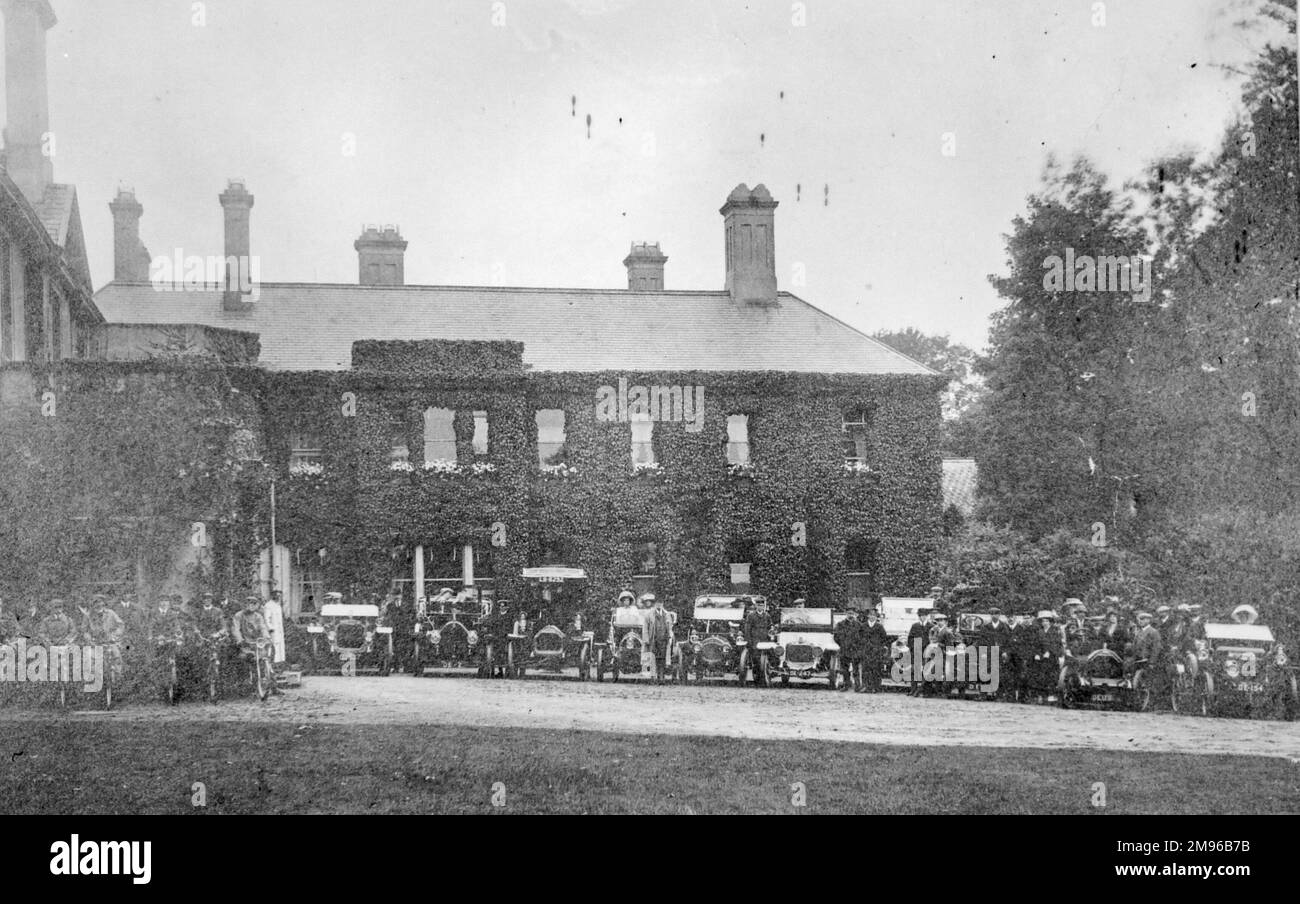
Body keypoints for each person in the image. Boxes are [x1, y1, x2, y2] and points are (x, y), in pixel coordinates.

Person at [230, 595, 277, 694]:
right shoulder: (239, 615)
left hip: (257, 643)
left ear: (256, 606)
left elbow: (263, 627)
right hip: (245, 644)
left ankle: (272, 684)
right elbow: (235, 629)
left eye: (253, 604)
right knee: (243, 660)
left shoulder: (258, 616)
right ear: (245, 605)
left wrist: (266, 637)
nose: (250, 606)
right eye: (248, 603)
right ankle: (245, 684)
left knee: (266, 658)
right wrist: (240, 640)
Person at [82, 595, 126, 684]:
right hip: (95, 642)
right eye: (96, 604)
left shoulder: (111, 613)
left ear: (103, 604)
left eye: (100, 603)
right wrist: (89, 639)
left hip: (110, 641)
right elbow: (84, 630)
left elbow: (120, 625)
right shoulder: (88, 616)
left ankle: (117, 679)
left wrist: (115, 636)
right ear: (93, 605)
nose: (98, 606)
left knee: (116, 656)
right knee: (90, 659)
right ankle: (93, 680)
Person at [642, 594, 673, 685]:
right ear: (654, 604)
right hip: (653, 639)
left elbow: (670, 627)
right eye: (657, 603)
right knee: (652, 659)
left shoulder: (667, 614)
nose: (659, 605)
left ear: (663, 604)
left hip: (663, 639)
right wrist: (646, 639)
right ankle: (653, 677)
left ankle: (661, 677)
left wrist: (669, 637)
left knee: (662, 659)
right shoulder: (649, 615)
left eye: (661, 603)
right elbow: (645, 628)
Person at [741, 597, 771, 683]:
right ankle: (757, 676)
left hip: (765, 640)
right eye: (758, 605)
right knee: (755, 658)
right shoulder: (751, 616)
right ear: (756, 606)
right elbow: (747, 628)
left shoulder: (767, 616)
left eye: (762, 605)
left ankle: (764, 675)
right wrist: (749, 640)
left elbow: (770, 627)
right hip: (755, 640)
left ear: (764, 606)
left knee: (765, 658)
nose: (760, 607)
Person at [859, 608, 889, 693]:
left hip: (876, 651)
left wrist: (879, 647)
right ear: (868, 616)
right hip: (866, 651)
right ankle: (866, 686)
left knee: (876, 669)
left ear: (876, 617)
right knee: (866, 669)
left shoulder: (880, 626)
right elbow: (859, 637)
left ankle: (876, 687)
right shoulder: (863, 626)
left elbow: (884, 638)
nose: (872, 617)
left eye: (874, 615)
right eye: (871, 615)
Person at [833, 609, 861, 692]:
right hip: (844, 650)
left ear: (855, 614)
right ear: (846, 614)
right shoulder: (840, 624)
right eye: (849, 613)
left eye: (852, 613)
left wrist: (858, 645)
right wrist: (842, 644)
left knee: (856, 669)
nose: (851, 615)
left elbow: (863, 637)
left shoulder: (859, 625)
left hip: (855, 650)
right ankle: (846, 685)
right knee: (844, 669)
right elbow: (836, 636)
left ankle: (857, 686)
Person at [906, 610, 932, 696]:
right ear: (919, 617)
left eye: (925, 615)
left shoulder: (931, 626)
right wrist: (913, 647)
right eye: (921, 616)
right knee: (915, 671)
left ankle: (925, 691)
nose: (923, 617)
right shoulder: (915, 626)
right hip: (916, 651)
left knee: (927, 670)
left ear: (927, 616)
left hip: (927, 651)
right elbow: (910, 638)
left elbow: (933, 639)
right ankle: (913, 690)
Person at [264, 590, 286, 667]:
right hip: (273, 631)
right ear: (273, 596)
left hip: (279, 630)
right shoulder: (268, 605)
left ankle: (278, 665)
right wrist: (271, 629)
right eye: (277, 596)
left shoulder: (278, 605)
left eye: (280, 596)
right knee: (273, 646)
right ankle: (271, 665)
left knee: (280, 647)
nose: (279, 597)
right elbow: (267, 619)